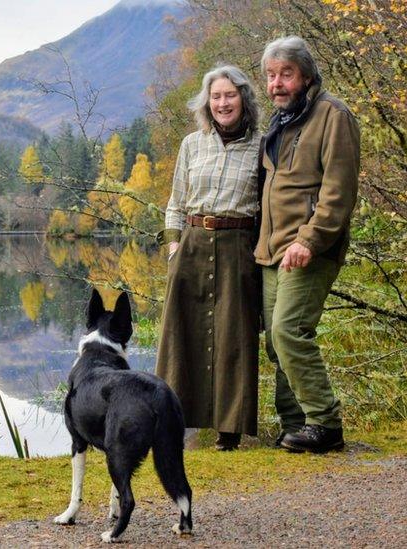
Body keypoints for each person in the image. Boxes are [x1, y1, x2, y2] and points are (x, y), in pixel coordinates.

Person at [256, 36, 360, 453]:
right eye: (270, 75)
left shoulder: (332, 115)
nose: (277, 83)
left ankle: (324, 423)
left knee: (289, 330)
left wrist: (309, 240)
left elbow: (339, 190)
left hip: (308, 249)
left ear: (306, 75)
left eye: (286, 74)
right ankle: (295, 424)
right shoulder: (281, 121)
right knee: (274, 341)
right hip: (272, 250)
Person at [156, 65, 261, 451]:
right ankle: (174, 421)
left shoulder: (263, 146)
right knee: (183, 335)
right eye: (216, 96)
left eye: (229, 95)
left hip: (238, 246)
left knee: (233, 335)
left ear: (243, 99)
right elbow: (175, 202)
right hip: (193, 243)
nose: (222, 103)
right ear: (207, 102)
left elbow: (268, 206)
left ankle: (228, 431)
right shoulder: (191, 144)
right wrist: (173, 247)